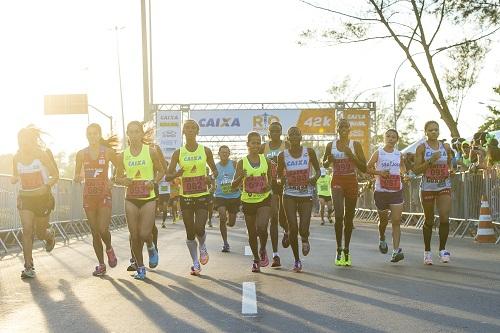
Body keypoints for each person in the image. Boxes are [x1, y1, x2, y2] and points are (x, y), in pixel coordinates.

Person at [166, 120, 218, 276]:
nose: (190, 130)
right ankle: (195, 263)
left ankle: (202, 246)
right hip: (186, 197)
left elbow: (215, 171)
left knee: (199, 228)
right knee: (189, 232)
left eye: (193, 127)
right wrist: (177, 174)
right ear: (183, 131)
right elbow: (168, 176)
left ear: (197, 131)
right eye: (187, 128)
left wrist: (210, 177)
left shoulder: (205, 151)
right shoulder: (178, 153)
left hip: (202, 195)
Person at [115, 121, 164, 280]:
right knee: (134, 235)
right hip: (131, 198)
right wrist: (124, 181)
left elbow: (161, 171)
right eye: (131, 132)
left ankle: (150, 246)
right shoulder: (123, 155)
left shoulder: (150, 152)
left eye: (137, 131)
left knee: (144, 234)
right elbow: (117, 177)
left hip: (148, 198)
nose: (134, 135)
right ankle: (141, 267)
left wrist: (154, 182)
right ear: (127, 134)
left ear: (142, 134)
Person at [12, 126, 59, 279]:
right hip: (25, 198)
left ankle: (49, 235)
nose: (23, 143)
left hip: (42, 199)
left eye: (26, 140)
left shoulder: (42, 155)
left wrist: (46, 186)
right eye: (20, 140)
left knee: (39, 233)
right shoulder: (16, 157)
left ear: (32, 141)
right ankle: (28, 266)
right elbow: (16, 175)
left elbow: (55, 175)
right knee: (27, 229)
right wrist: (14, 179)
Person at [74, 124, 120, 276]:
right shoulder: (80, 154)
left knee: (102, 229)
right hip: (89, 196)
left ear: (99, 135)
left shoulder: (107, 152)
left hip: (104, 194)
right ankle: (101, 265)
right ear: (86, 136)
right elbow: (76, 174)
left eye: (95, 134)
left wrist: (112, 179)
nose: (92, 136)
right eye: (89, 134)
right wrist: (77, 178)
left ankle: (109, 247)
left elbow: (121, 167)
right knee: (94, 232)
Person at [323, 119, 367, 267]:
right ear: (337, 129)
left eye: (346, 126)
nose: (343, 129)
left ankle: (347, 249)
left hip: (351, 181)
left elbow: (364, 167)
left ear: (349, 129)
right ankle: (338, 249)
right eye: (340, 126)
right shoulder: (331, 145)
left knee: (349, 218)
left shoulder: (355, 145)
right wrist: (328, 161)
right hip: (337, 180)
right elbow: (324, 163)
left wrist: (351, 155)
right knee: (339, 216)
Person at [277, 127, 320, 272]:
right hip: (289, 194)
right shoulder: (282, 155)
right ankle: (297, 260)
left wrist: (314, 178)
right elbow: (278, 176)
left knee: (303, 228)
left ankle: (305, 239)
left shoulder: (309, 152)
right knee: (293, 228)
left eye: (297, 134)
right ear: (287, 139)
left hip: (305, 194)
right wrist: (281, 179)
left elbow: (318, 170)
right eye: (291, 135)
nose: (294, 137)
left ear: (301, 137)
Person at [413, 120, 453, 265]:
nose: (434, 132)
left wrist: (450, 169)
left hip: (444, 185)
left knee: (444, 217)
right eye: (430, 130)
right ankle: (427, 251)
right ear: (426, 133)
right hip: (428, 187)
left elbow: (449, 163)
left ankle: (442, 250)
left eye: (436, 130)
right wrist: (430, 161)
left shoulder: (446, 146)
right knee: (429, 220)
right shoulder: (421, 148)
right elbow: (416, 170)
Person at [233, 132, 272, 273]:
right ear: (247, 144)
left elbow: (272, 179)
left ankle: (262, 249)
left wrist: (269, 186)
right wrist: (240, 177)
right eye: (253, 142)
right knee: (252, 233)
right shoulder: (241, 162)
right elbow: (233, 185)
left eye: (258, 142)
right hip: (248, 201)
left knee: (262, 227)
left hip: (264, 199)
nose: (255, 145)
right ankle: (256, 259)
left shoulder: (265, 160)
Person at [366, 129, 406, 263]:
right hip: (381, 191)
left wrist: (404, 175)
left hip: (396, 191)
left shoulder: (399, 154)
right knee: (383, 221)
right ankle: (382, 237)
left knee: (396, 221)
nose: (390, 139)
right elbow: (367, 168)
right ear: (384, 138)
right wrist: (380, 172)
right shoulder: (379, 153)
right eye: (388, 136)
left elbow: (402, 168)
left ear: (397, 140)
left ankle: (396, 251)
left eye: (393, 137)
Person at [259, 121, 289, 268]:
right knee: (274, 218)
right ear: (268, 133)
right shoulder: (262, 148)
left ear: (281, 132)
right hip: (270, 185)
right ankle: (275, 256)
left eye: (278, 130)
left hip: (286, 185)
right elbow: (254, 161)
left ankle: (288, 231)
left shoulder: (287, 145)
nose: (275, 133)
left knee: (284, 217)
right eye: (272, 131)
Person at [214, 145, 241, 252]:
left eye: (226, 152)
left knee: (232, 223)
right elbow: (212, 177)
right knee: (222, 216)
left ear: (229, 154)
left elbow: (240, 176)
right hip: (221, 195)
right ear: (219, 154)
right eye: (222, 152)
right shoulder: (215, 166)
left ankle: (228, 222)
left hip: (234, 196)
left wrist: (237, 186)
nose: (224, 154)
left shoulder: (234, 164)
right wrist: (211, 185)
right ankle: (225, 243)